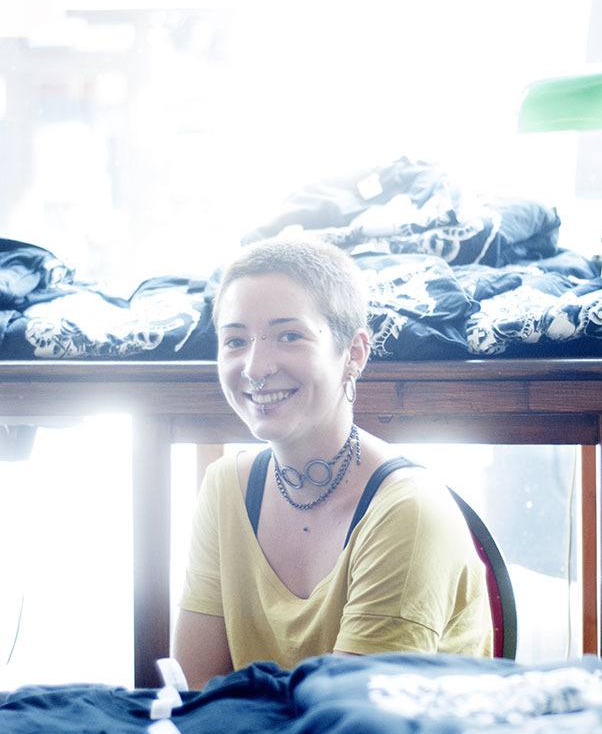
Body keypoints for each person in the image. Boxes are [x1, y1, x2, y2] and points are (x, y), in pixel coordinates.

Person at [173, 239, 492, 689]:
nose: (255, 367)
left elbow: (354, 712)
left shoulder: (409, 509)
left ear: (354, 353)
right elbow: (195, 691)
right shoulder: (226, 486)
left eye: (289, 336)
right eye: (235, 341)